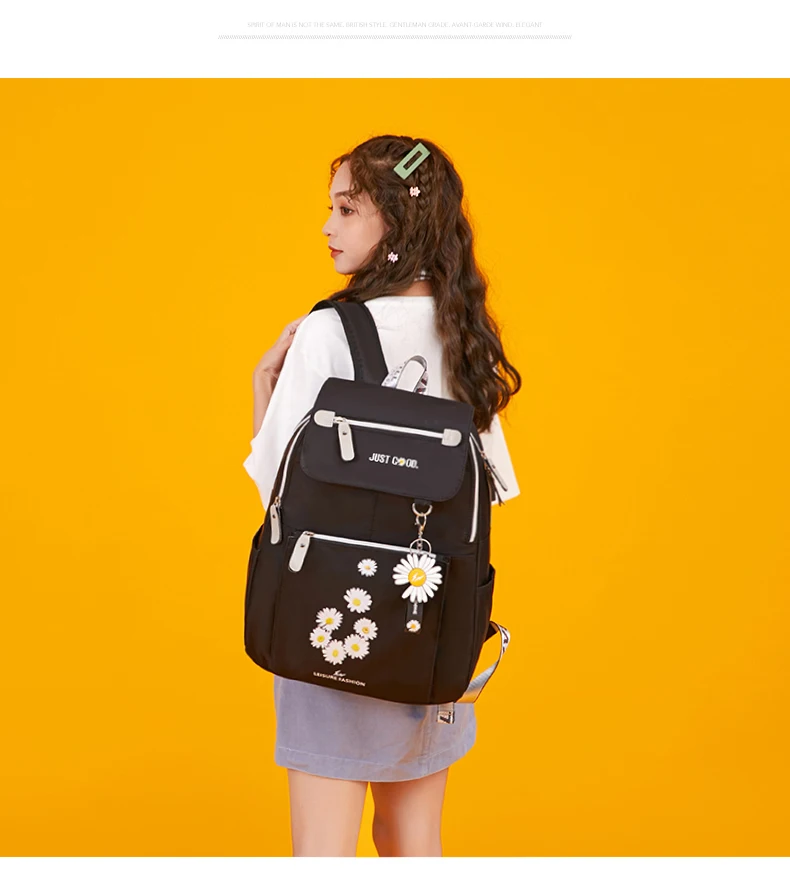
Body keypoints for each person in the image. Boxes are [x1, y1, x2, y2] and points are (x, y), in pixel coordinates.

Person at [243, 135, 522, 856]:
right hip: (432, 631)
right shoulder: (463, 331)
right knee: (412, 840)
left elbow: (276, 489)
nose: (327, 227)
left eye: (346, 209)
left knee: (322, 849)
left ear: (397, 218)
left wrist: (263, 384)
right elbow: (490, 494)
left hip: (330, 625)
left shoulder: (328, 330)